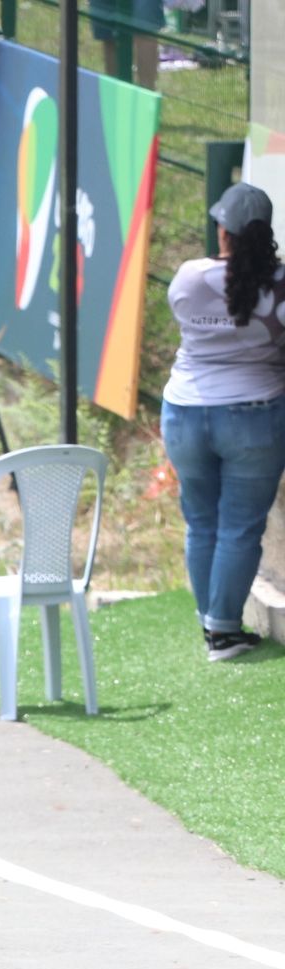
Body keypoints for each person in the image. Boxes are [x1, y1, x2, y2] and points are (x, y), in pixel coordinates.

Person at [159, 182, 285, 661]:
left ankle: (210, 621)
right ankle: (224, 630)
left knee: (201, 522)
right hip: (255, 417)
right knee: (240, 527)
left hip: (185, 413)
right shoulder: (280, 282)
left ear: (224, 232)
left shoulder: (189, 277)